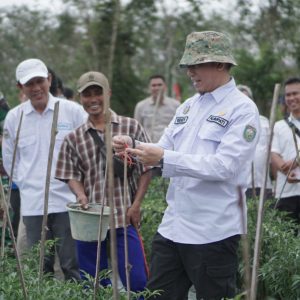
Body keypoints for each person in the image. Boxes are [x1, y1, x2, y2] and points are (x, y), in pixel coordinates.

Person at [113, 31, 260, 299]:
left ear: (220, 64)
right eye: (188, 66)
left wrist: (164, 157)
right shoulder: (188, 107)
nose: (190, 72)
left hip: (213, 232)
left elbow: (225, 166)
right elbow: (163, 147)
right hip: (174, 227)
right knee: (158, 294)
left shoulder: (243, 109)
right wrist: (132, 145)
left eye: (196, 64)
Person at [55, 71, 151, 292]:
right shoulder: (74, 137)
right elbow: (70, 174)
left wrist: (136, 205)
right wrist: (80, 195)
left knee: (137, 282)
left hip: (124, 216)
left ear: (108, 93)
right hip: (90, 221)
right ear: (81, 99)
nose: (93, 99)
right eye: (87, 94)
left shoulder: (131, 127)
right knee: (94, 284)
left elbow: (147, 168)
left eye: (98, 92)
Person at [2, 58, 86, 280]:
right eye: (29, 84)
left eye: (40, 81)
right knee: (40, 268)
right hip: (33, 206)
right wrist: (28, 183)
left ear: (49, 80)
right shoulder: (15, 117)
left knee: (72, 265)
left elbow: (88, 148)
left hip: (68, 202)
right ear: (20, 87)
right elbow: (10, 158)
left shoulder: (72, 112)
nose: (36, 88)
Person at [271, 77, 300, 226]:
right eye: (288, 95)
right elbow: (274, 153)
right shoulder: (279, 125)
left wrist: (297, 161)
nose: (291, 98)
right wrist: (285, 170)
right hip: (287, 192)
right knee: (288, 242)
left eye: (295, 93)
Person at [237, 84, 273, 199]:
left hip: (264, 184)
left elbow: (272, 151)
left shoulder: (264, 121)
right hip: (241, 185)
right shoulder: (230, 124)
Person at [134, 75, 180, 142]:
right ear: (149, 88)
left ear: (165, 87)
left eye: (159, 85)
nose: (157, 88)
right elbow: (136, 129)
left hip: (169, 147)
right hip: (148, 146)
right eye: (153, 85)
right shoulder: (141, 106)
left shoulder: (176, 105)